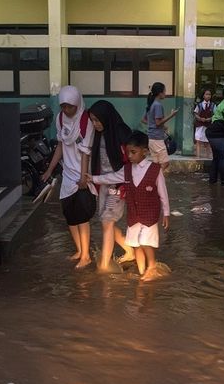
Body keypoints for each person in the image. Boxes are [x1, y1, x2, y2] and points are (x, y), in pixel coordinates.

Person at [90, 131, 170, 282]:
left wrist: (166, 213)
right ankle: (141, 272)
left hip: (149, 215)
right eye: (128, 153)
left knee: (146, 243)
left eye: (133, 152)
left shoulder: (155, 170)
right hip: (133, 215)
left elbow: (163, 193)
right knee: (136, 245)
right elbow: (110, 177)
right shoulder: (126, 170)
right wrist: (93, 178)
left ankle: (151, 267)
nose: (130, 156)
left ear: (145, 151)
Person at [41, 86, 95, 269]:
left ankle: (86, 256)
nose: (66, 110)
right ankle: (80, 250)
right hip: (67, 175)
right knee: (70, 216)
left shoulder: (85, 121)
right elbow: (60, 146)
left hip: (82, 174)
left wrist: (83, 178)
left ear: (77, 104)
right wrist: (50, 169)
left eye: (69, 106)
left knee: (82, 216)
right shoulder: (60, 118)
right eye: (63, 106)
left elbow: (86, 152)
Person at [82, 100, 136, 272]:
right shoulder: (99, 133)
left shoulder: (121, 133)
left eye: (97, 120)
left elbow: (131, 162)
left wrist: (125, 186)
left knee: (107, 221)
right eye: (92, 120)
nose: (95, 124)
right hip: (103, 184)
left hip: (118, 186)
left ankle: (104, 267)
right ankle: (130, 251)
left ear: (106, 117)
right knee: (107, 222)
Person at [144, 82, 178, 169]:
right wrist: (172, 115)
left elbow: (144, 120)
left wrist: (162, 126)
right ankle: (153, 178)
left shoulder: (151, 104)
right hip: (157, 138)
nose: (165, 93)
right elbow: (158, 123)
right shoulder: (158, 105)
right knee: (165, 163)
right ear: (160, 93)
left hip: (151, 138)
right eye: (164, 91)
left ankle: (154, 180)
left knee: (156, 163)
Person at [193, 88, 215, 158]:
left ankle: (208, 156)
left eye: (209, 94)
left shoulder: (213, 105)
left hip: (208, 125)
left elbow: (215, 115)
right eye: (206, 94)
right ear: (203, 96)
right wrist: (200, 118)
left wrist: (210, 119)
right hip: (200, 125)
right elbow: (196, 114)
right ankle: (198, 155)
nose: (208, 96)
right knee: (198, 141)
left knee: (208, 141)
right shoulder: (199, 105)